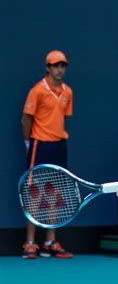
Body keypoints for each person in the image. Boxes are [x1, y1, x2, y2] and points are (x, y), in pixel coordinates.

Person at [21, 50, 74, 259]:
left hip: (59, 146)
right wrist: (29, 142)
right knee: (34, 192)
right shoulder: (37, 91)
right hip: (39, 145)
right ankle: (30, 243)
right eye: (56, 66)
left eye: (62, 66)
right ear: (48, 68)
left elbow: (62, 118)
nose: (60, 69)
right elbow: (26, 120)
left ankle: (50, 242)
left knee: (55, 193)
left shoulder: (68, 92)